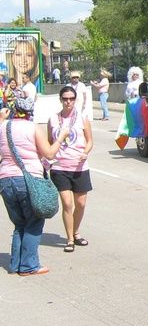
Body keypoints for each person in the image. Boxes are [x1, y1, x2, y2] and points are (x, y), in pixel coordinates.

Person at [0, 97, 69, 275]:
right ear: (31, 112)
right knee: (34, 221)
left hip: (6, 179)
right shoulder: (33, 128)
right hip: (28, 178)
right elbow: (49, 153)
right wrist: (60, 137)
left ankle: (15, 264)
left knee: (19, 223)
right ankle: (29, 265)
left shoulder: (3, 126)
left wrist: (2, 118)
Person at [48, 86, 94, 253]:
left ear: (75, 100)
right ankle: (69, 239)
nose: (68, 102)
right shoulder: (53, 119)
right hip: (60, 167)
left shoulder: (82, 118)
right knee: (67, 204)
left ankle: (75, 232)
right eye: (65, 98)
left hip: (79, 167)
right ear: (61, 99)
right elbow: (49, 142)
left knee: (80, 204)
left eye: (71, 99)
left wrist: (85, 152)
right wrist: (48, 160)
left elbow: (89, 141)